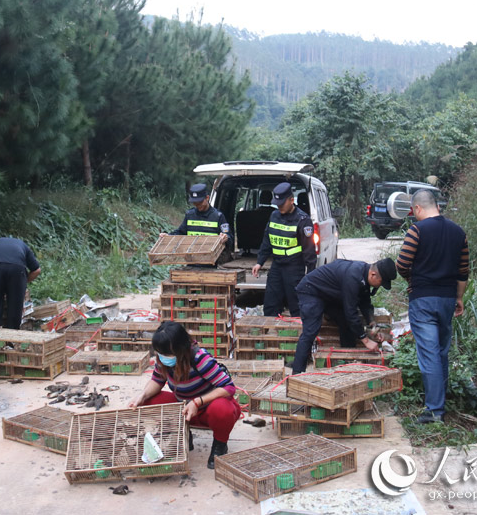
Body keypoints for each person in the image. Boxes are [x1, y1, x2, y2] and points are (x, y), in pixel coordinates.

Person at [395, 189, 469, 424]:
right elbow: (463, 271)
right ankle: (440, 402)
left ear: (417, 208)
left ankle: (435, 411)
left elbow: (402, 263)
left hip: (423, 299)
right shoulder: (459, 233)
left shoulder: (417, 230)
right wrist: (458, 298)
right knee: (441, 352)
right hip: (447, 299)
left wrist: (412, 280)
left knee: (429, 354)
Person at [129, 321, 241, 469]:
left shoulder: (200, 359)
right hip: (184, 410)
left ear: (181, 348)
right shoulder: (163, 361)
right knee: (148, 401)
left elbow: (228, 387)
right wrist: (142, 395)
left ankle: (220, 444)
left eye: (167, 354)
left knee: (222, 409)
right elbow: (157, 380)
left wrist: (197, 402)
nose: (163, 357)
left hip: (207, 409)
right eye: (160, 353)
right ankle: (184, 435)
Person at [290, 258, 397, 374]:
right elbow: (350, 311)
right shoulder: (353, 277)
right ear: (373, 274)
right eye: (381, 282)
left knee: (346, 322)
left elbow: (365, 303)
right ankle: (297, 373)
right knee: (311, 331)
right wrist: (366, 341)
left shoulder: (364, 274)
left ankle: (347, 364)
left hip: (329, 294)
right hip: (311, 291)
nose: (380, 285)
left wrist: (373, 325)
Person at [251, 182, 317, 317]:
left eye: (282, 203)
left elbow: (309, 251)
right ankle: (271, 336)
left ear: (292, 200)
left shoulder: (303, 220)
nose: (279, 206)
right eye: (277, 203)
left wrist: (310, 276)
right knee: (270, 304)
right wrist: (260, 262)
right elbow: (267, 240)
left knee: (296, 305)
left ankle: (299, 334)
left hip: (294, 267)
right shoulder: (274, 216)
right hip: (276, 266)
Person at [161, 183, 233, 265]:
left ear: (207, 198)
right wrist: (168, 236)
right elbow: (180, 232)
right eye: (195, 203)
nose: (198, 205)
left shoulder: (218, 216)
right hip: (192, 262)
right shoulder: (189, 215)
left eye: (200, 202)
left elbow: (229, 238)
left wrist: (225, 237)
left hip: (212, 264)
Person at [0, 237, 41, 331]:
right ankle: (11, 340)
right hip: (17, 269)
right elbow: (36, 270)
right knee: (15, 308)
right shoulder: (23, 245)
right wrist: (23, 282)